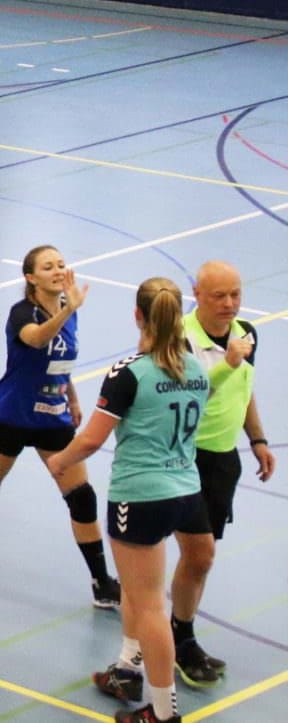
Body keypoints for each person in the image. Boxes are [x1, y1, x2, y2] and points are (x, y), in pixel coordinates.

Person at [48, 278, 211, 723]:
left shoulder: (129, 372)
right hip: (186, 490)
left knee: (148, 605)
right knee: (139, 595)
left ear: (138, 316)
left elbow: (91, 440)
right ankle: (125, 671)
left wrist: (60, 460)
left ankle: (162, 711)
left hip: (140, 497)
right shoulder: (196, 367)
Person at [0, 246, 120, 610]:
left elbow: (59, 360)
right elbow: (36, 339)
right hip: (10, 416)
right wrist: (67, 311)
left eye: (61, 265)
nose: (58, 271)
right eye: (48, 267)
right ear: (31, 277)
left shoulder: (68, 308)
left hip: (52, 419)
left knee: (81, 497)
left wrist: (73, 398)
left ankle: (101, 583)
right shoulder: (22, 313)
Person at [165, 261, 273, 686]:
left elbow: (244, 388)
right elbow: (182, 397)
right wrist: (226, 363)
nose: (229, 304)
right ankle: (167, 642)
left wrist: (257, 438)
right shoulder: (179, 338)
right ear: (196, 293)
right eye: (219, 295)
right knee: (199, 555)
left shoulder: (246, 334)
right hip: (183, 458)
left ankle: (182, 636)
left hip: (222, 461)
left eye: (236, 294)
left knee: (200, 560)